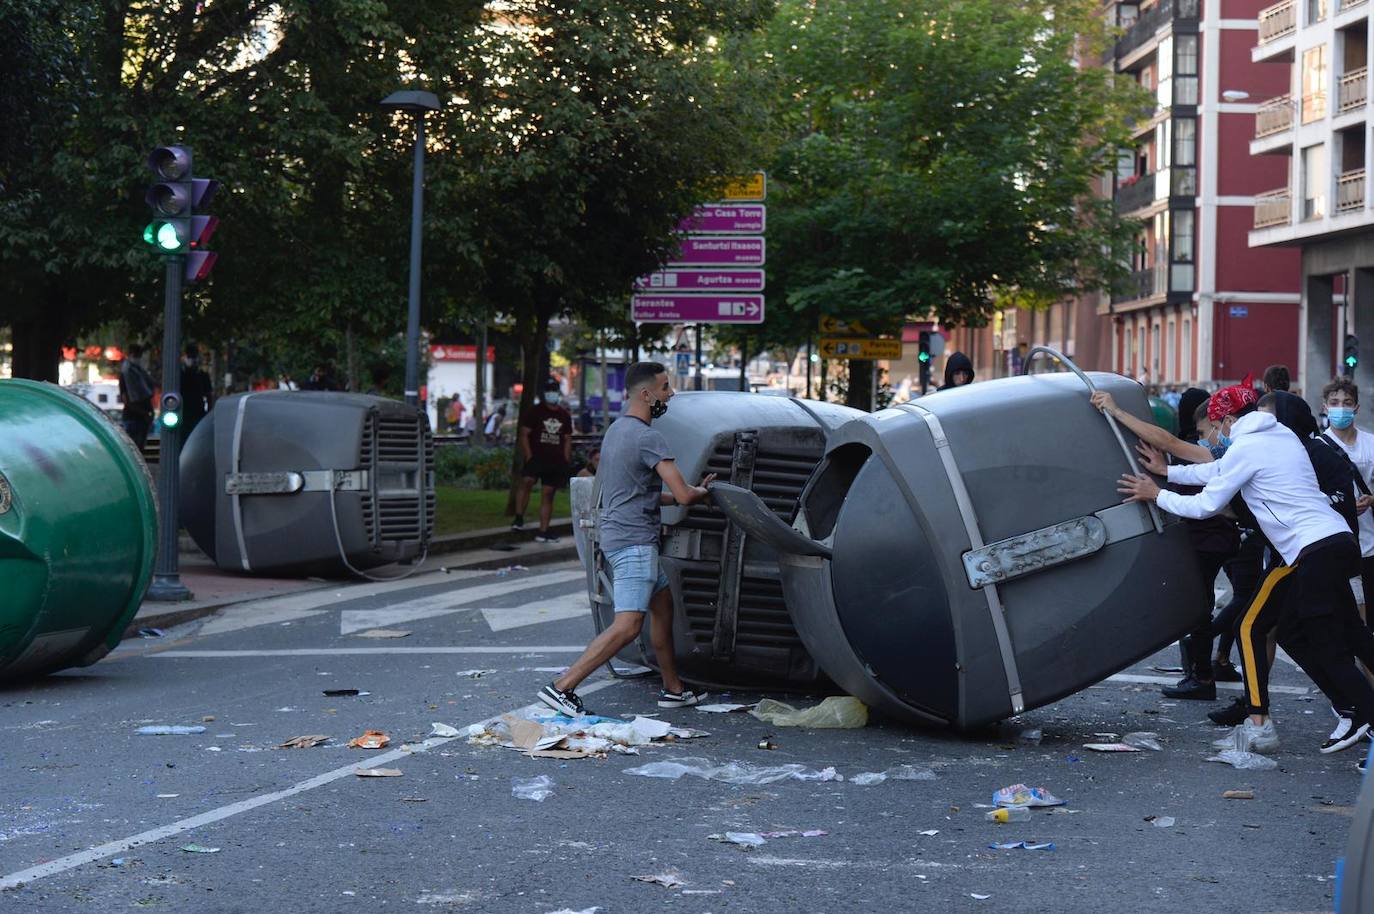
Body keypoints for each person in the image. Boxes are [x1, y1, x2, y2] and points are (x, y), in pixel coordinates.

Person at [1119, 392, 1374, 755]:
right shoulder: (1281, 435)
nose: (1213, 437)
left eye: (1214, 427)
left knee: (1320, 639)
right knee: (1348, 633)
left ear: (1227, 421)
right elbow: (1217, 470)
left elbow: (1206, 504)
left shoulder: (1245, 448)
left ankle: (1358, 712)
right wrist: (1170, 472)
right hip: (1336, 540)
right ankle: (1340, 711)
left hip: (1310, 549)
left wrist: (1156, 493)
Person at [536, 361, 716, 717]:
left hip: (623, 536)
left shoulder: (618, 430)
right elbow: (681, 494)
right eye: (666, 387)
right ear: (647, 394)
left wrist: (684, 493)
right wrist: (701, 492)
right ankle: (562, 687)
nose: (671, 394)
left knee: (663, 609)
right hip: (635, 545)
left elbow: (641, 493)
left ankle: (674, 689)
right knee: (629, 625)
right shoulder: (649, 437)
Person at [1092, 386, 1239, 700]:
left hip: (1210, 539)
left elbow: (1169, 444)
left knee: (1204, 608)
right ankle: (1202, 673)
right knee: (1206, 606)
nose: (1206, 435)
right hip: (1216, 538)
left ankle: (1204, 677)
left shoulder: (1218, 451)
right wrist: (1165, 469)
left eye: (1208, 429)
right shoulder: (1212, 453)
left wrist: (1116, 410)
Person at [1319, 376, 1374, 624]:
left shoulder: (1371, 443)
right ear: (1325, 407)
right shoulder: (1316, 447)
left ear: (1356, 408)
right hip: (1336, 543)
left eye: (1347, 402)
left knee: (1368, 617)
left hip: (1370, 544)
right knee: (1346, 618)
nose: (1341, 407)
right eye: (1335, 402)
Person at [513, 380, 573, 542]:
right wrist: (529, 455)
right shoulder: (535, 412)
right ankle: (518, 517)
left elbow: (567, 439)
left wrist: (565, 460)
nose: (551, 394)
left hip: (555, 460)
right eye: (549, 391)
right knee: (527, 482)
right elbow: (524, 434)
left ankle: (543, 530)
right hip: (536, 457)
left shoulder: (564, 415)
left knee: (548, 493)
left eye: (554, 391)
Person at [118, 344, 156, 451]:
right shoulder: (126, 373)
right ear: (130, 355)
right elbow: (126, 400)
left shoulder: (140, 372)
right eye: (136, 355)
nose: (138, 358)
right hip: (133, 417)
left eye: (139, 355)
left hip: (142, 418)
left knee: (139, 448)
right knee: (134, 450)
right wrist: (144, 413)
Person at [180, 343, 214, 437]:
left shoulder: (202, 375)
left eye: (193, 356)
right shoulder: (179, 375)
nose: (192, 359)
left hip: (197, 412)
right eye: (189, 356)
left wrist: (208, 413)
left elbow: (208, 395)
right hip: (183, 413)